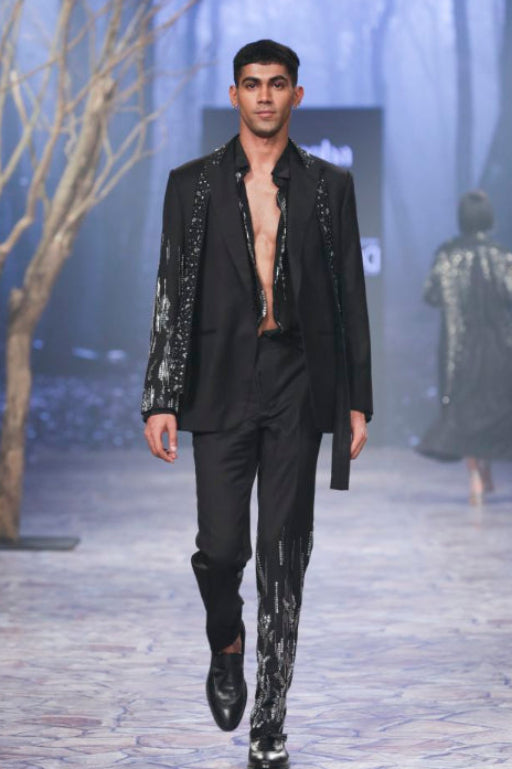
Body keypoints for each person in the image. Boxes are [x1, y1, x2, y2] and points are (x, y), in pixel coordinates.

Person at [141, 39, 372, 769]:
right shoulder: (193, 184)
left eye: (277, 84)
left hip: (296, 378)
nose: (264, 95)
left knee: (284, 551)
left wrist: (357, 399)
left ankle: (270, 719)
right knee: (220, 550)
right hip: (219, 379)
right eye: (252, 83)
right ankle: (226, 640)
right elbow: (172, 288)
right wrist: (160, 394)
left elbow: (349, 295)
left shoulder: (330, 185)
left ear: (296, 95)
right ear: (235, 94)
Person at [417, 190, 512, 504]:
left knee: (464, 408)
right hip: (499, 347)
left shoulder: (447, 255)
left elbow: (431, 294)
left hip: (459, 348)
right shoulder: (502, 256)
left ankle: (475, 476)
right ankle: (485, 470)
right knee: (493, 406)